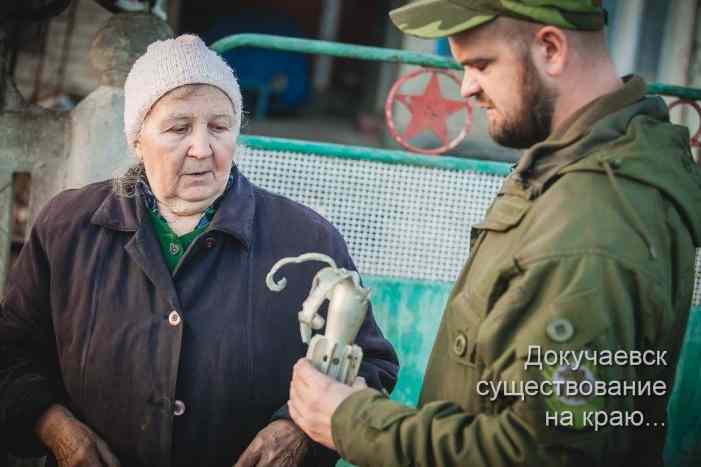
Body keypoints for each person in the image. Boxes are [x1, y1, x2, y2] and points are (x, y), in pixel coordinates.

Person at [289, 1, 701, 466]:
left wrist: (351, 421)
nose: (466, 88)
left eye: (480, 64)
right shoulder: (594, 154)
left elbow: (539, 454)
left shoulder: (591, 227)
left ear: (550, 47)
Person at [0, 34, 398, 467]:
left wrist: (299, 429)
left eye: (220, 127)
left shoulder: (306, 241)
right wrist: (53, 425)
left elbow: (371, 363)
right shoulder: (68, 228)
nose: (203, 148)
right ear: (137, 138)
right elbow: (12, 351)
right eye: (178, 128)